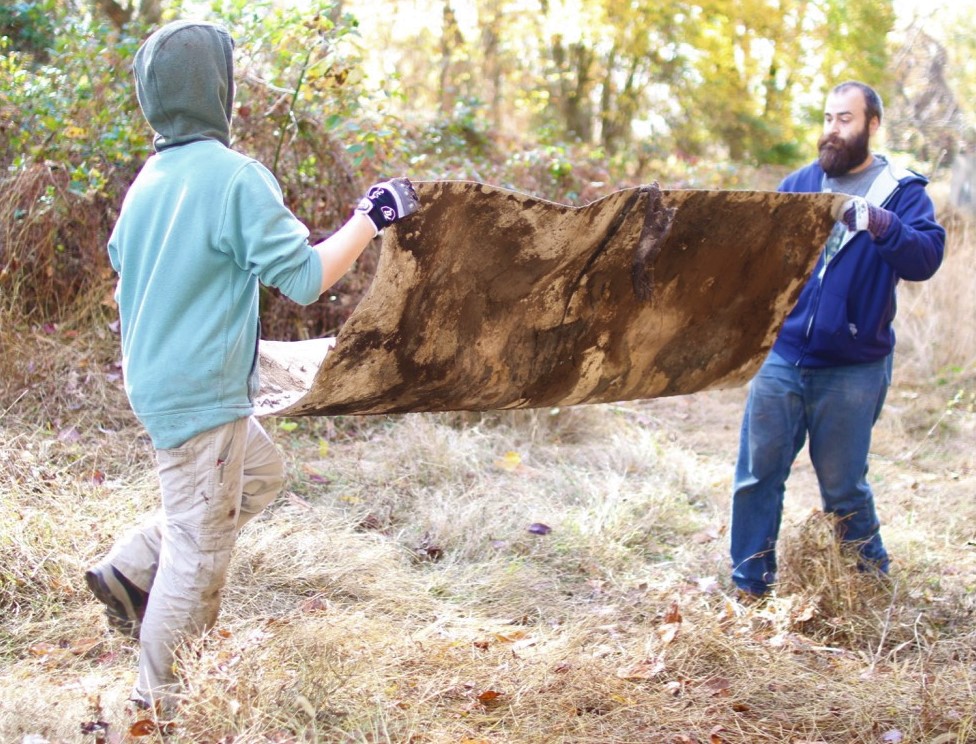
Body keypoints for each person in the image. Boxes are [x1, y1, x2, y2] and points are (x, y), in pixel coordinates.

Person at [84, 19, 420, 713]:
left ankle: (131, 567)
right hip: (201, 393)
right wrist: (371, 216)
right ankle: (159, 708)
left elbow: (124, 261)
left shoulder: (150, 180)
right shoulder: (235, 178)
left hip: (158, 382)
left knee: (261, 471)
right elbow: (303, 278)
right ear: (219, 90)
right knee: (199, 554)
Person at [729, 80, 945, 598]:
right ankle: (749, 586)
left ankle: (871, 587)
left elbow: (926, 258)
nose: (832, 130)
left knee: (843, 487)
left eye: (845, 119)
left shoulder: (901, 190)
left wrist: (881, 224)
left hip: (853, 366)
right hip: (782, 358)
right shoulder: (800, 183)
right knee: (758, 477)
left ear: (872, 125)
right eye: (827, 118)